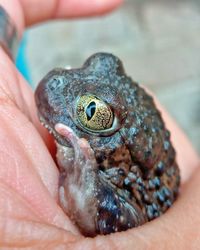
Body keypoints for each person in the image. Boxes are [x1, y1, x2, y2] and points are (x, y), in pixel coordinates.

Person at [0, 0, 199, 248]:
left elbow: (128, 219)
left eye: (92, 112)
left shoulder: (125, 175)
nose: (60, 78)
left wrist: (90, 194)